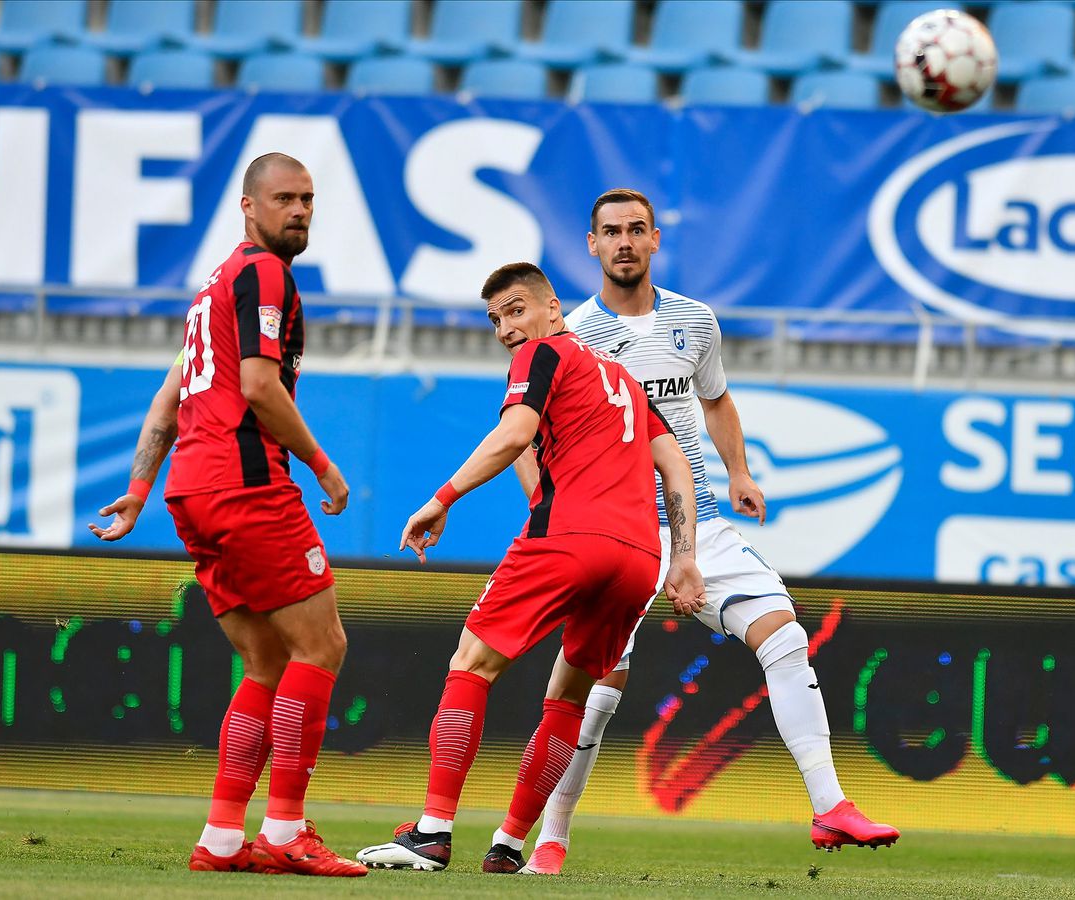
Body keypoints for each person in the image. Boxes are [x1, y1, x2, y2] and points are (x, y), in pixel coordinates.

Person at [518, 189, 899, 875]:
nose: (625, 242)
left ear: (656, 239)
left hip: (698, 518)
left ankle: (830, 807)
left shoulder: (695, 322)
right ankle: (552, 837)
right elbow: (526, 434)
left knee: (784, 635)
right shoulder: (569, 337)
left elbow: (715, 400)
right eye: (612, 232)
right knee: (601, 690)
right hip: (614, 530)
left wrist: (740, 472)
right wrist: (553, 511)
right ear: (591, 245)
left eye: (637, 230)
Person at [355, 262, 706, 874]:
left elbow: (516, 433)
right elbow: (677, 469)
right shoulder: (623, 380)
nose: (506, 328)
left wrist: (441, 499)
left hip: (569, 538)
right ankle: (510, 845)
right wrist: (684, 560)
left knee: (471, 662)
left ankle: (432, 833)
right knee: (568, 698)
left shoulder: (545, 357)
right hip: (638, 558)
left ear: (552, 309)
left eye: (516, 310)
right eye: (495, 319)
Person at [90, 153, 366, 878]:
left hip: (192, 492)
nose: (300, 210)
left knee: (267, 660)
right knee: (322, 646)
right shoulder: (265, 273)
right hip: (246, 486)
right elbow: (258, 385)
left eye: (308, 198)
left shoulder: (211, 288)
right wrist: (322, 463)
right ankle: (284, 829)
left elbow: (171, 398)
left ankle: (219, 839)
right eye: (284, 198)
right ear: (249, 206)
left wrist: (140, 489)